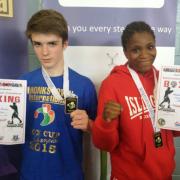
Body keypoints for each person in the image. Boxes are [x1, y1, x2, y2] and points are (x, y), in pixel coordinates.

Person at [92, 21, 180, 179]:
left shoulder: (164, 80)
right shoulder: (112, 84)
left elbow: (175, 131)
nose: (144, 55)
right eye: (136, 50)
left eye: (150, 47)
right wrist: (106, 121)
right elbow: (104, 144)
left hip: (164, 175)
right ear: (125, 52)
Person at [19, 9, 97, 180]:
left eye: (52, 43)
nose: (44, 52)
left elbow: (101, 134)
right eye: (38, 44)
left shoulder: (84, 85)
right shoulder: (22, 83)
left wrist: (89, 124)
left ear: (65, 44)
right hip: (30, 174)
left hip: (69, 174)